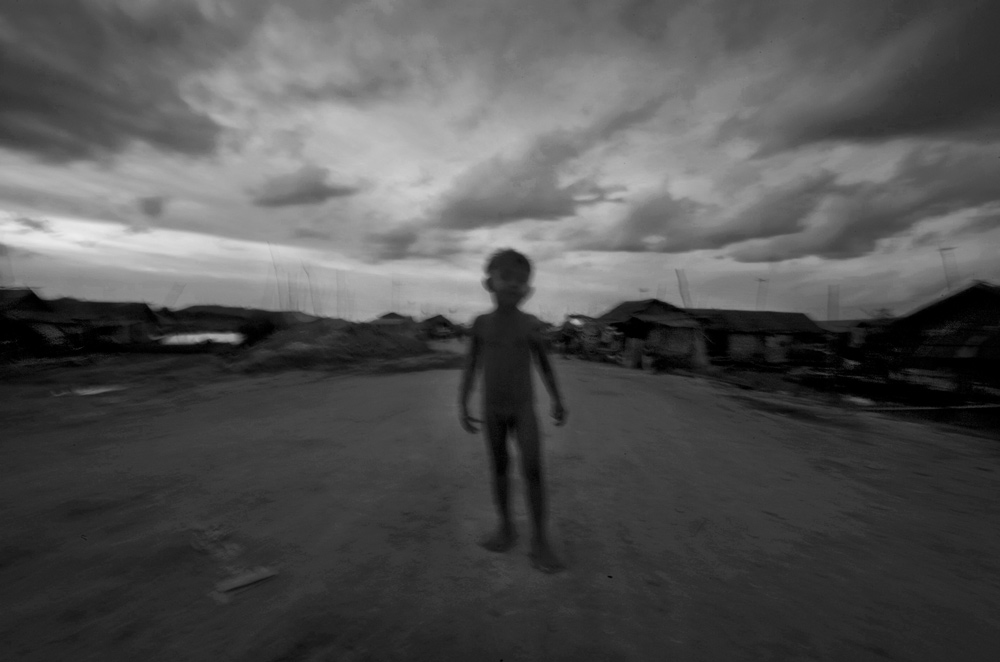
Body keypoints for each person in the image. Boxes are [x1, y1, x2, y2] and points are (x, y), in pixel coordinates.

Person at [459, 248, 567, 573]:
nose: (514, 285)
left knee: (533, 469)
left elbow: (545, 366)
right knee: (499, 468)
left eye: (522, 281)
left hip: (523, 410)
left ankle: (540, 540)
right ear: (488, 283)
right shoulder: (480, 325)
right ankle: (506, 527)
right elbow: (471, 367)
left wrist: (557, 399)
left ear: (529, 290)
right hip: (492, 410)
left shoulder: (530, 325)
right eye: (506, 277)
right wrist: (462, 402)